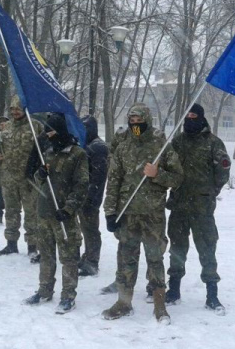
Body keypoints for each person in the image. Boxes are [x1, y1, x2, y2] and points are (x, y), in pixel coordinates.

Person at [101, 103, 183, 324]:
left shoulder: (160, 146)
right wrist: (110, 212)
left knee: (155, 259)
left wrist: (158, 174)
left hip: (152, 215)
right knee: (126, 259)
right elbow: (114, 181)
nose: (135, 125)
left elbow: (177, 178)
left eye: (139, 122)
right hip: (127, 215)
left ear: (147, 120)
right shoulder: (122, 147)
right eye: (132, 122)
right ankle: (124, 302)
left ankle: (159, 305)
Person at [166, 104, 230, 313]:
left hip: (202, 209)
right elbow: (167, 167)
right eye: (188, 116)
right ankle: (173, 290)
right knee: (176, 248)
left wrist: (209, 192)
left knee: (207, 249)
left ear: (201, 119)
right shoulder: (177, 142)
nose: (190, 120)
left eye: (194, 116)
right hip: (179, 205)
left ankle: (212, 294)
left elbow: (222, 172)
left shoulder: (213, 143)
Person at [23, 113, 89, 314]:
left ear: (60, 131)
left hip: (64, 216)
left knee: (68, 257)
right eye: (46, 132)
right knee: (46, 255)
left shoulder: (77, 154)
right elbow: (37, 180)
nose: (48, 136)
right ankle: (44, 290)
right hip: (44, 213)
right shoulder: (48, 152)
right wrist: (40, 174)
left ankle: (68, 295)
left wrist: (69, 209)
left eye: (50, 131)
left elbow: (82, 185)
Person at [0, 95, 44, 258]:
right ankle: (11, 244)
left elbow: (43, 150)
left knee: (31, 212)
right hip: (9, 177)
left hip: (29, 178)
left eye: (18, 108)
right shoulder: (6, 127)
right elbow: (1, 148)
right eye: (12, 109)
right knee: (11, 211)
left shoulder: (35, 126)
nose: (15, 112)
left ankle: (32, 245)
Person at [78, 115, 109, 277]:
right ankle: (87, 256)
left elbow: (98, 176)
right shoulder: (87, 145)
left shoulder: (98, 147)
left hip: (91, 195)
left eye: (86, 128)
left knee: (91, 229)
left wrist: (91, 196)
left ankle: (92, 261)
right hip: (83, 194)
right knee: (85, 227)